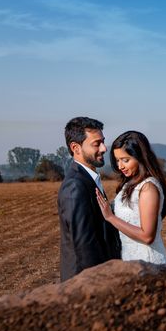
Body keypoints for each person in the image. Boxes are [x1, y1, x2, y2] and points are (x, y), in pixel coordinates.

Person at [57, 117, 121, 281]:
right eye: (96, 143)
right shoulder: (75, 187)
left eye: (103, 142)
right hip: (85, 285)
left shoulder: (88, 179)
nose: (104, 148)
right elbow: (84, 248)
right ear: (75, 148)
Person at [95, 130, 166, 265]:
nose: (120, 166)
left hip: (149, 263)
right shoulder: (129, 184)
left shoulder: (148, 189)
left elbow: (147, 237)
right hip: (130, 261)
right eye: (117, 160)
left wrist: (111, 217)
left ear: (141, 157)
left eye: (125, 160)